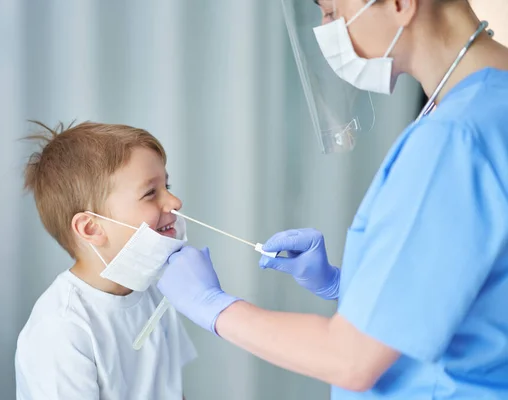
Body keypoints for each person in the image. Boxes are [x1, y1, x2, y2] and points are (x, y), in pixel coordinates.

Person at [156, 0, 508, 398]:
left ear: (399, 4)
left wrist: (212, 305)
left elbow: (352, 361)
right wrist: (344, 285)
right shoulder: (489, 104)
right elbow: (480, 287)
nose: (327, 31)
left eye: (331, 12)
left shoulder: (456, 138)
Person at [15, 122, 196, 400]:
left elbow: (174, 390)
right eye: (150, 193)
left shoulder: (155, 292)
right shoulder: (62, 328)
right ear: (91, 229)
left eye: (167, 185)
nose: (174, 201)